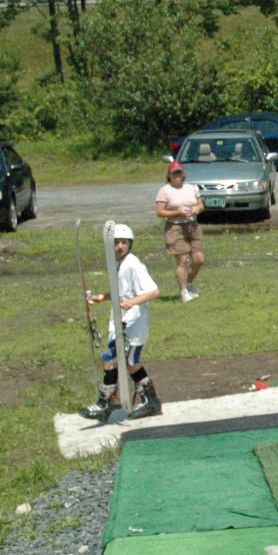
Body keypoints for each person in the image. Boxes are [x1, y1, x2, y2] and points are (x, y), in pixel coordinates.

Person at [79, 224, 163, 421]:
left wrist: (131, 302)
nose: (120, 246)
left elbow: (154, 291)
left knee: (121, 361)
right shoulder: (118, 264)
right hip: (122, 322)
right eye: (116, 243)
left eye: (124, 242)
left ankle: (112, 402)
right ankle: (115, 401)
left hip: (135, 322)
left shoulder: (133, 264)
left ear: (130, 244)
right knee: (117, 361)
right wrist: (103, 297)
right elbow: (122, 292)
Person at [156, 161, 205, 301]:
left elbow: (201, 204)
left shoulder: (192, 188)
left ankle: (188, 282)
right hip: (175, 227)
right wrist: (177, 213)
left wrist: (197, 209)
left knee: (199, 259)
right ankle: (183, 291)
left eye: (179, 172)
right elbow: (160, 211)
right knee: (182, 261)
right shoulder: (165, 190)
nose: (177, 175)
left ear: (183, 174)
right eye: (174, 173)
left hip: (192, 225)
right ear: (169, 175)